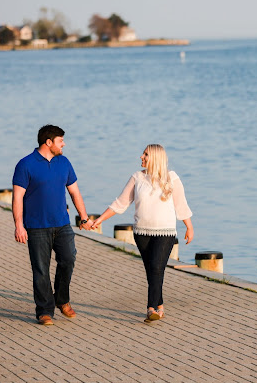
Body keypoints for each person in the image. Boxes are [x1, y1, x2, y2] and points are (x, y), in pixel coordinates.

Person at [92, 144, 193, 322]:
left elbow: (181, 205)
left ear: (155, 157)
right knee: (152, 270)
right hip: (142, 233)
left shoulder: (172, 178)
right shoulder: (137, 177)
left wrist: (189, 227)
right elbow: (120, 203)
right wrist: (100, 220)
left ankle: (151, 308)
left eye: (145, 154)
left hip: (165, 232)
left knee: (155, 267)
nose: (141, 157)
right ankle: (159, 305)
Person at [12, 124, 93, 326]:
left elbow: (75, 192)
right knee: (40, 269)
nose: (64, 144)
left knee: (68, 259)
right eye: (60, 140)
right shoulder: (25, 164)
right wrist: (19, 225)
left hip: (62, 225)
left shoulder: (64, 162)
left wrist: (83, 217)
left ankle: (62, 299)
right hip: (36, 226)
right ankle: (44, 311)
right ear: (48, 142)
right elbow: (17, 197)